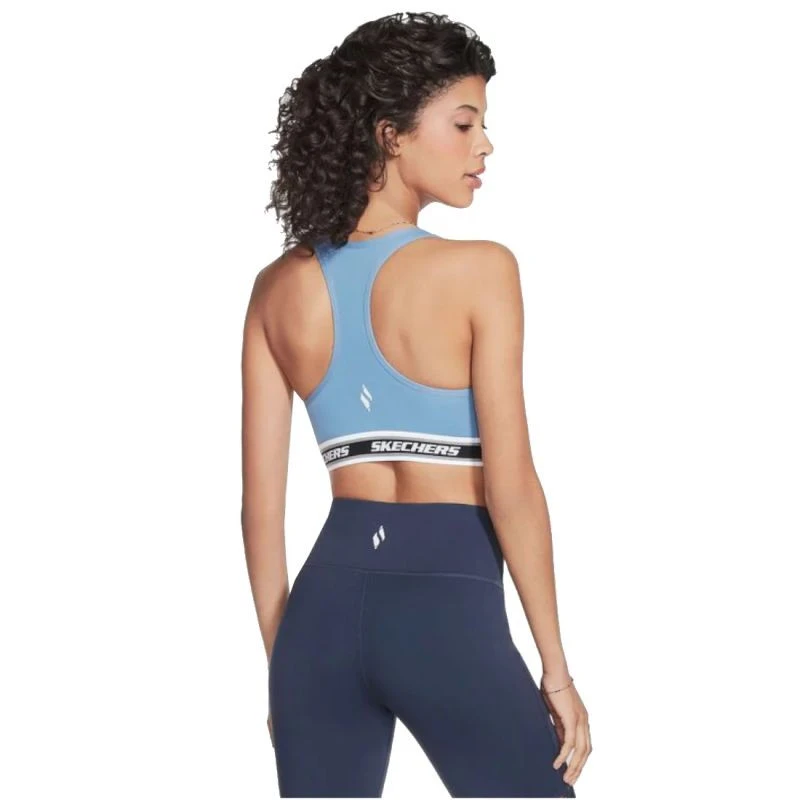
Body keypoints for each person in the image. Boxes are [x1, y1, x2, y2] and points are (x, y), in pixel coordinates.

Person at [241, 11, 591, 797]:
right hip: (446, 608)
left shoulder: (275, 291)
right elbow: (511, 487)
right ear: (391, 134)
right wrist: (557, 671)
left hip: (319, 621)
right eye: (464, 123)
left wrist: (283, 668)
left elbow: (259, 514)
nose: (484, 146)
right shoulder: (481, 271)